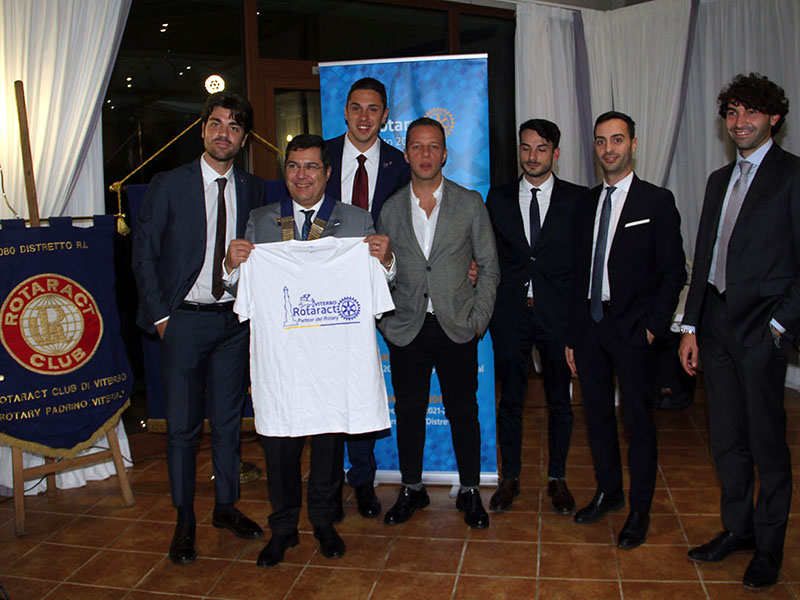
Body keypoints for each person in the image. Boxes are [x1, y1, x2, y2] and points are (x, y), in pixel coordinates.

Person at [223, 134, 394, 567]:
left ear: (327, 173)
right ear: (285, 172)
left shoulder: (356, 220)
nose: (302, 175)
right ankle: (283, 529)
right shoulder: (261, 220)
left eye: (311, 167)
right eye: (294, 166)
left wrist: (386, 261)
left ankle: (323, 521)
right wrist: (230, 265)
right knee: (279, 446)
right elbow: (242, 292)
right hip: (282, 363)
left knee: (328, 445)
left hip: (332, 360)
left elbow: (383, 284)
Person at [132, 92, 265, 564]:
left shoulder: (254, 188)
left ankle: (225, 507)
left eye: (234, 127)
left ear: (244, 139)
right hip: (183, 321)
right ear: (203, 130)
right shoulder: (169, 184)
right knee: (184, 429)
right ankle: (184, 519)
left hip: (232, 323)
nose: (224, 133)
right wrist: (162, 319)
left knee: (228, 424)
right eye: (216, 124)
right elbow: (144, 255)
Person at [678, 73, 799, 589]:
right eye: (732, 112)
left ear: (774, 117)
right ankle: (738, 530)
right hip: (715, 327)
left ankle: (769, 548)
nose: (739, 121)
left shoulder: (793, 176)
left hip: (762, 331)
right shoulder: (717, 180)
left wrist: (779, 324)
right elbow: (705, 255)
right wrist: (690, 326)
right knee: (726, 440)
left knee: (766, 445)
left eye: (751, 111)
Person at [565, 111, 685, 549]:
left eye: (617, 140)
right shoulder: (585, 203)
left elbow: (674, 273)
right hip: (590, 328)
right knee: (597, 417)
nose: (608, 149)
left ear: (633, 145)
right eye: (601, 141)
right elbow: (576, 273)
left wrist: (654, 328)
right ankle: (609, 492)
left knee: (637, 422)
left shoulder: (657, 202)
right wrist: (572, 336)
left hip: (635, 331)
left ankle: (640, 510)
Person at [377, 117, 500, 529]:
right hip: (407, 327)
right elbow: (380, 273)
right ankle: (412, 488)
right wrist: (386, 321)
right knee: (409, 412)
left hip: (457, 325)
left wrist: (478, 320)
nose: (425, 154)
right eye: (417, 146)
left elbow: (489, 267)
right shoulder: (391, 209)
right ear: (406, 153)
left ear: (445, 154)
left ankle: (470, 490)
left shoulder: (470, 203)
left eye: (433, 147)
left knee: (463, 411)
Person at [486, 119, 586, 514]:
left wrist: (578, 323)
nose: (532, 156)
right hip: (510, 315)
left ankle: (557, 478)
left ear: (555, 153)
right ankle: (510, 478)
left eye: (541, 148)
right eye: (526, 148)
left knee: (560, 401)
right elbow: (489, 253)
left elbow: (582, 265)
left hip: (558, 317)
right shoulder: (497, 198)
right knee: (510, 401)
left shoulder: (578, 200)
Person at [326, 77, 410, 519]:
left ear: (384, 115)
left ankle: (362, 480)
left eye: (373, 109)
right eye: (356, 108)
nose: (363, 117)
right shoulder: (318, 157)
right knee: (326, 389)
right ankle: (326, 482)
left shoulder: (401, 164)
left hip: (381, 290)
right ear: (344, 111)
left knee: (362, 388)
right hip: (323, 295)